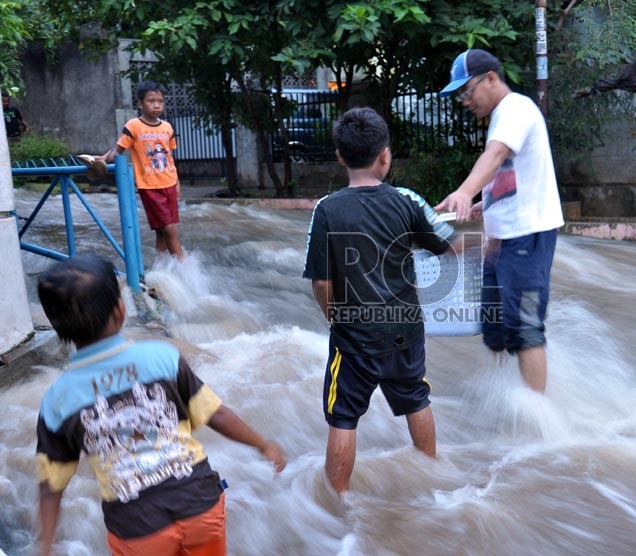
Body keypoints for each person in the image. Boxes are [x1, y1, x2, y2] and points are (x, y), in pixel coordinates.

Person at [36, 254, 286, 555]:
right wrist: (262, 444)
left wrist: (45, 545)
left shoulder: (57, 401)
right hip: (201, 506)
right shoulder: (162, 358)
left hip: (137, 529)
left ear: (56, 327)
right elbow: (215, 414)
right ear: (121, 308)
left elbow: (52, 485)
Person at [303, 107, 455, 493]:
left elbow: (321, 282)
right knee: (416, 399)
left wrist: (333, 317)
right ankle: (432, 482)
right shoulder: (406, 200)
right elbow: (448, 246)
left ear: (340, 156)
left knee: (343, 417)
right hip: (406, 329)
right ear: (385, 154)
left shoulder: (327, 210)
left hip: (355, 336)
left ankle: (338, 502)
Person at [435, 49, 563, 394]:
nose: (465, 101)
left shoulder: (516, 108)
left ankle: (536, 423)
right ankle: (509, 403)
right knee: (496, 329)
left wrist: (463, 192)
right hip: (502, 239)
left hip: (527, 236)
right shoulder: (502, 117)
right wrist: (483, 203)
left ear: (491, 78)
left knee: (524, 329)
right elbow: (508, 172)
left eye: (467, 91)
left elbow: (496, 155)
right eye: (460, 95)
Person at [96, 81, 184, 260]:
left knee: (162, 230)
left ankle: (162, 268)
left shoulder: (167, 127)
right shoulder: (133, 126)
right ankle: (185, 266)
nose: (157, 105)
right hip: (149, 186)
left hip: (169, 182)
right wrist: (102, 159)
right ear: (140, 103)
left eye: (160, 101)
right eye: (151, 101)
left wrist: (178, 183)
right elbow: (118, 150)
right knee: (169, 228)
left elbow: (170, 158)